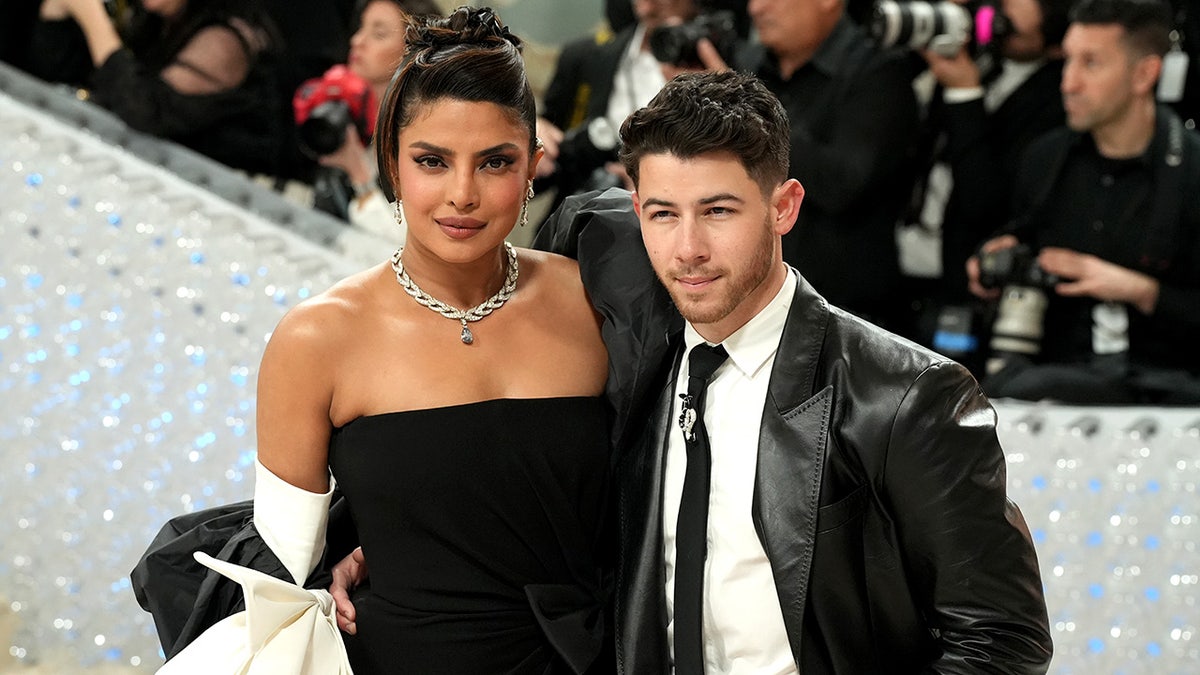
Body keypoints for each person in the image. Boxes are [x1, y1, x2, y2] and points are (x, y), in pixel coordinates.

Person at [336, 70, 1053, 673]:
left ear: (784, 206)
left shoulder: (904, 396)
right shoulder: (620, 338)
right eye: (662, 213)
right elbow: (516, 462)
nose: (688, 248)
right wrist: (380, 543)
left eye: (718, 211)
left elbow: (1001, 636)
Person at [252, 7, 612, 674]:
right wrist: (332, 563)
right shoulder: (317, 338)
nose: (463, 194)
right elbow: (278, 570)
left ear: (533, 165)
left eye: (496, 161)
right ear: (391, 161)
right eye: (432, 161)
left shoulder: (594, 301)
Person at [967, 0, 1200, 404]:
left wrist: (1140, 291)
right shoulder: (1045, 160)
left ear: (1144, 73)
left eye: (1091, 63)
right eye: (1069, 60)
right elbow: (1021, 232)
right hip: (1047, 384)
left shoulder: (1191, 172)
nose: (1068, 82)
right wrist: (997, 259)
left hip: (1171, 393)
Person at [684, 0, 921, 329]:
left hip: (846, 316)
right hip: (742, 305)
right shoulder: (746, 63)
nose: (756, 9)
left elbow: (842, 183)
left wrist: (744, 110)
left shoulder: (880, 71)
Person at [907, 0, 1071, 309]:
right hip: (902, 264)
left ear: (1056, 47)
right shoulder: (977, 52)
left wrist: (964, 93)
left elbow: (985, 202)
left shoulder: (1059, 101)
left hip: (964, 282)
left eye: (1007, 29)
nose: (997, 20)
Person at [37, 0, 287, 175]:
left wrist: (93, 20)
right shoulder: (155, 21)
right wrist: (57, 13)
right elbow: (69, 82)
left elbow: (145, 113)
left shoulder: (227, 39)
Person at [306, 0, 440, 234]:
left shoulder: (430, 144)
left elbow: (408, 251)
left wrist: (360, 176)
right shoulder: (344, 115)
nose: (356, 41)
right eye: (360, 28)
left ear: (415, 52)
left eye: (378, 34)